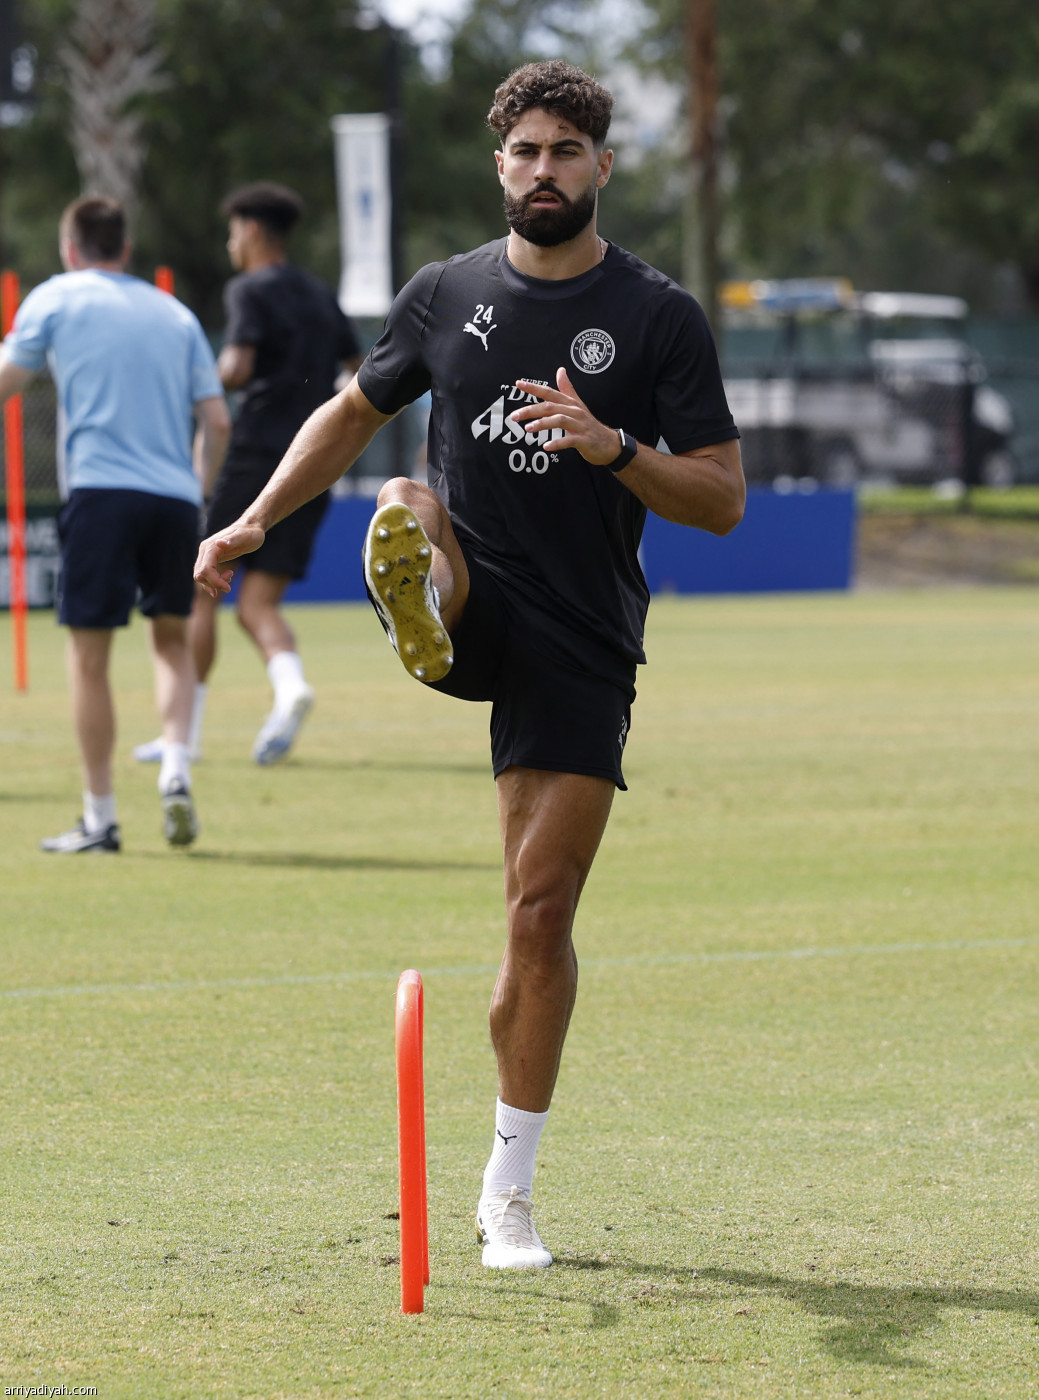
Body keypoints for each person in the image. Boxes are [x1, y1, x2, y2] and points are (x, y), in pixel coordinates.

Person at [195, 62, 745, 1265]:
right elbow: (350, 411)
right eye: (525, 151)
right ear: (499, 165)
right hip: (478, 594)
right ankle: (425, 597)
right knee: (404, 492)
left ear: (602, 167)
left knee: (537, 916)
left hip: (582, 637)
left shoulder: (656, 314)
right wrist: (253, 519)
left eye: (565, 151)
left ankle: (508, 1191)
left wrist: (612, 447)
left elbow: (720, 498)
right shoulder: (444, 294)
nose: (543, 170)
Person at [0, 194, 230, 853]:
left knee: (89, 658)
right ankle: (176, 768)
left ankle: (100, 818)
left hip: (100, 493)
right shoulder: (175, 314)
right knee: (171, 641)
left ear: (70, 249)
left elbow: (7, 381)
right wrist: (198, 492)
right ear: (125, 249)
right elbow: (217, 422)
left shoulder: (56, 296)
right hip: (175, 501)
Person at [133, 182, 363, 768]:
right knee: (258, 604)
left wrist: (195, 381)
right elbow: (363, 369)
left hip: (256, 453)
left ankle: (184, 735)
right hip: (314, 460)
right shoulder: (320, 294)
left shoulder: (248, 289)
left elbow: (235, 367)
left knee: (200, 590)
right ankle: (290, 689)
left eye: (233, 231)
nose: (230, 243)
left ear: (253, 230)